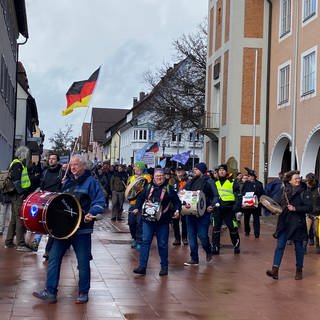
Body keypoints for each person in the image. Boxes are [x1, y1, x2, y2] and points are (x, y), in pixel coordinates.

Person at [33, 154, 105, 304]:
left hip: (82, 229)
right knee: (53, 258)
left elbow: (99, 201)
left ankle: (83, 292)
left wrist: (92, 212)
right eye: (71, 164)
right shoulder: (67, 182)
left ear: (84, 166)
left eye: (76, 165)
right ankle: (50, 291)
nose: (72, 167)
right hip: (64, 229)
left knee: (83, 262)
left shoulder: (91, 182)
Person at [132, 167, 181, 276]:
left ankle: (164, 267)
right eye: (157, 176)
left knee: (162, 244)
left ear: (164, 177)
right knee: (145, 242)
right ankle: (142, 266)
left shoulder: (169, 189)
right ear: (154, 177)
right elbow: (140, 198)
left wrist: (177, 210)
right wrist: (137, 207)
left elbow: (177, 202)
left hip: (162, 221)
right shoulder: (148, 187)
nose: (159, 178)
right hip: (148, 220)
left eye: (161, 176)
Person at [266, 170, 312, 280]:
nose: (298, 180)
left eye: (299, 178)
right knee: (280, 246)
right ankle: (275, 270)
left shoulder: (304, 191)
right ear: (290, 180)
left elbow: (309, 207)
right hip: (284, 222)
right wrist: (272, 209)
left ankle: (299, 270)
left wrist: (296, 208)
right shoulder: (283, 190)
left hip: (298, 223)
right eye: (295, 178)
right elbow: (275, 203)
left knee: (299, 248)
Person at [183, 162, 219, 266]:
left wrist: (211, 205)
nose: (194, 171)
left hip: (204, 214)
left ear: (202, 171)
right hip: (190, 213)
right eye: (194, 169)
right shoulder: (191, 181)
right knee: (191, 237)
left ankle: (208, 250)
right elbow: (183, 191)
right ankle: (194, 258)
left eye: (196, 169)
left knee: (203, 236)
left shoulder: (209, 182)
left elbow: (216, 195)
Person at [5, 146, 39, 252]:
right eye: (27, 155)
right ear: (23, 154)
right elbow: (16, 181)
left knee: (14, 219)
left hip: (14, 195)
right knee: (19, 218)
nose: (28, 157)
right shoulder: (17, 164)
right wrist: (21, 193)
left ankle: (9, 241)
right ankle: (20, 243)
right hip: (17, 195)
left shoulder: (16, 163)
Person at [32, 153, 63, 258]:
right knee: (41, 221)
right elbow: (41, 184)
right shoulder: (45, 171)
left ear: (57, 161)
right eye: (50, 159)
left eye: (54, 159)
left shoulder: (61, 171)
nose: (51, 160)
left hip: (56, 201)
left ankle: (48, 250)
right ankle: (36, 241)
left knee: (52, 226)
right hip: (44, 199)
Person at [212, 164, 241, 255]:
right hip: (217, 210)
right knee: (216, 229)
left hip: (229, 209)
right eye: (220, 170)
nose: (221, 171)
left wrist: (236, 206)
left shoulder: (232, 182)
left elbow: (237, 195)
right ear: (217, 172)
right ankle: (215, 247)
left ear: (226, 172)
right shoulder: (214, 183)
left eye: (223, 170)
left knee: (233, 229)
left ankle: (236, 245)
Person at [127, 161, 152, 250]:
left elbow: (146, 188)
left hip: (142, 204)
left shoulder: (147, 177)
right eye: (134, 168)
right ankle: (134, 238)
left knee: (139, 223)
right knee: (131, 222)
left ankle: (139, 240)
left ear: (141, 168)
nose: (134, 169)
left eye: (136, 167)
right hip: (133, 203)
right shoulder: (132, 177)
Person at [241, 168, 265, 238]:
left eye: (251, 176)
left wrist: (260, 199)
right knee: (246, 218)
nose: (250, 177)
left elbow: (262, 193)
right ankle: (247, 231)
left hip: (256, 204)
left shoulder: (259, 184)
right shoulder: (246, 183)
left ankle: (257, 233)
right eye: (249, 176)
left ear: (254, 176)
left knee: (256, 219)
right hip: (247, 204)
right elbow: (242, 192)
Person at [172, 166, 188, 246]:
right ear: (175, 172)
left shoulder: (188, 181)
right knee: (175, 222)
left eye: (181, 171)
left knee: (184, 222)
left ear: (184, 172)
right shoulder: (172, 181)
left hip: (184, 203)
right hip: (175, 204)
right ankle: (177, 238)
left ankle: (184, 238)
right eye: (178, 171)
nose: (179, 172)